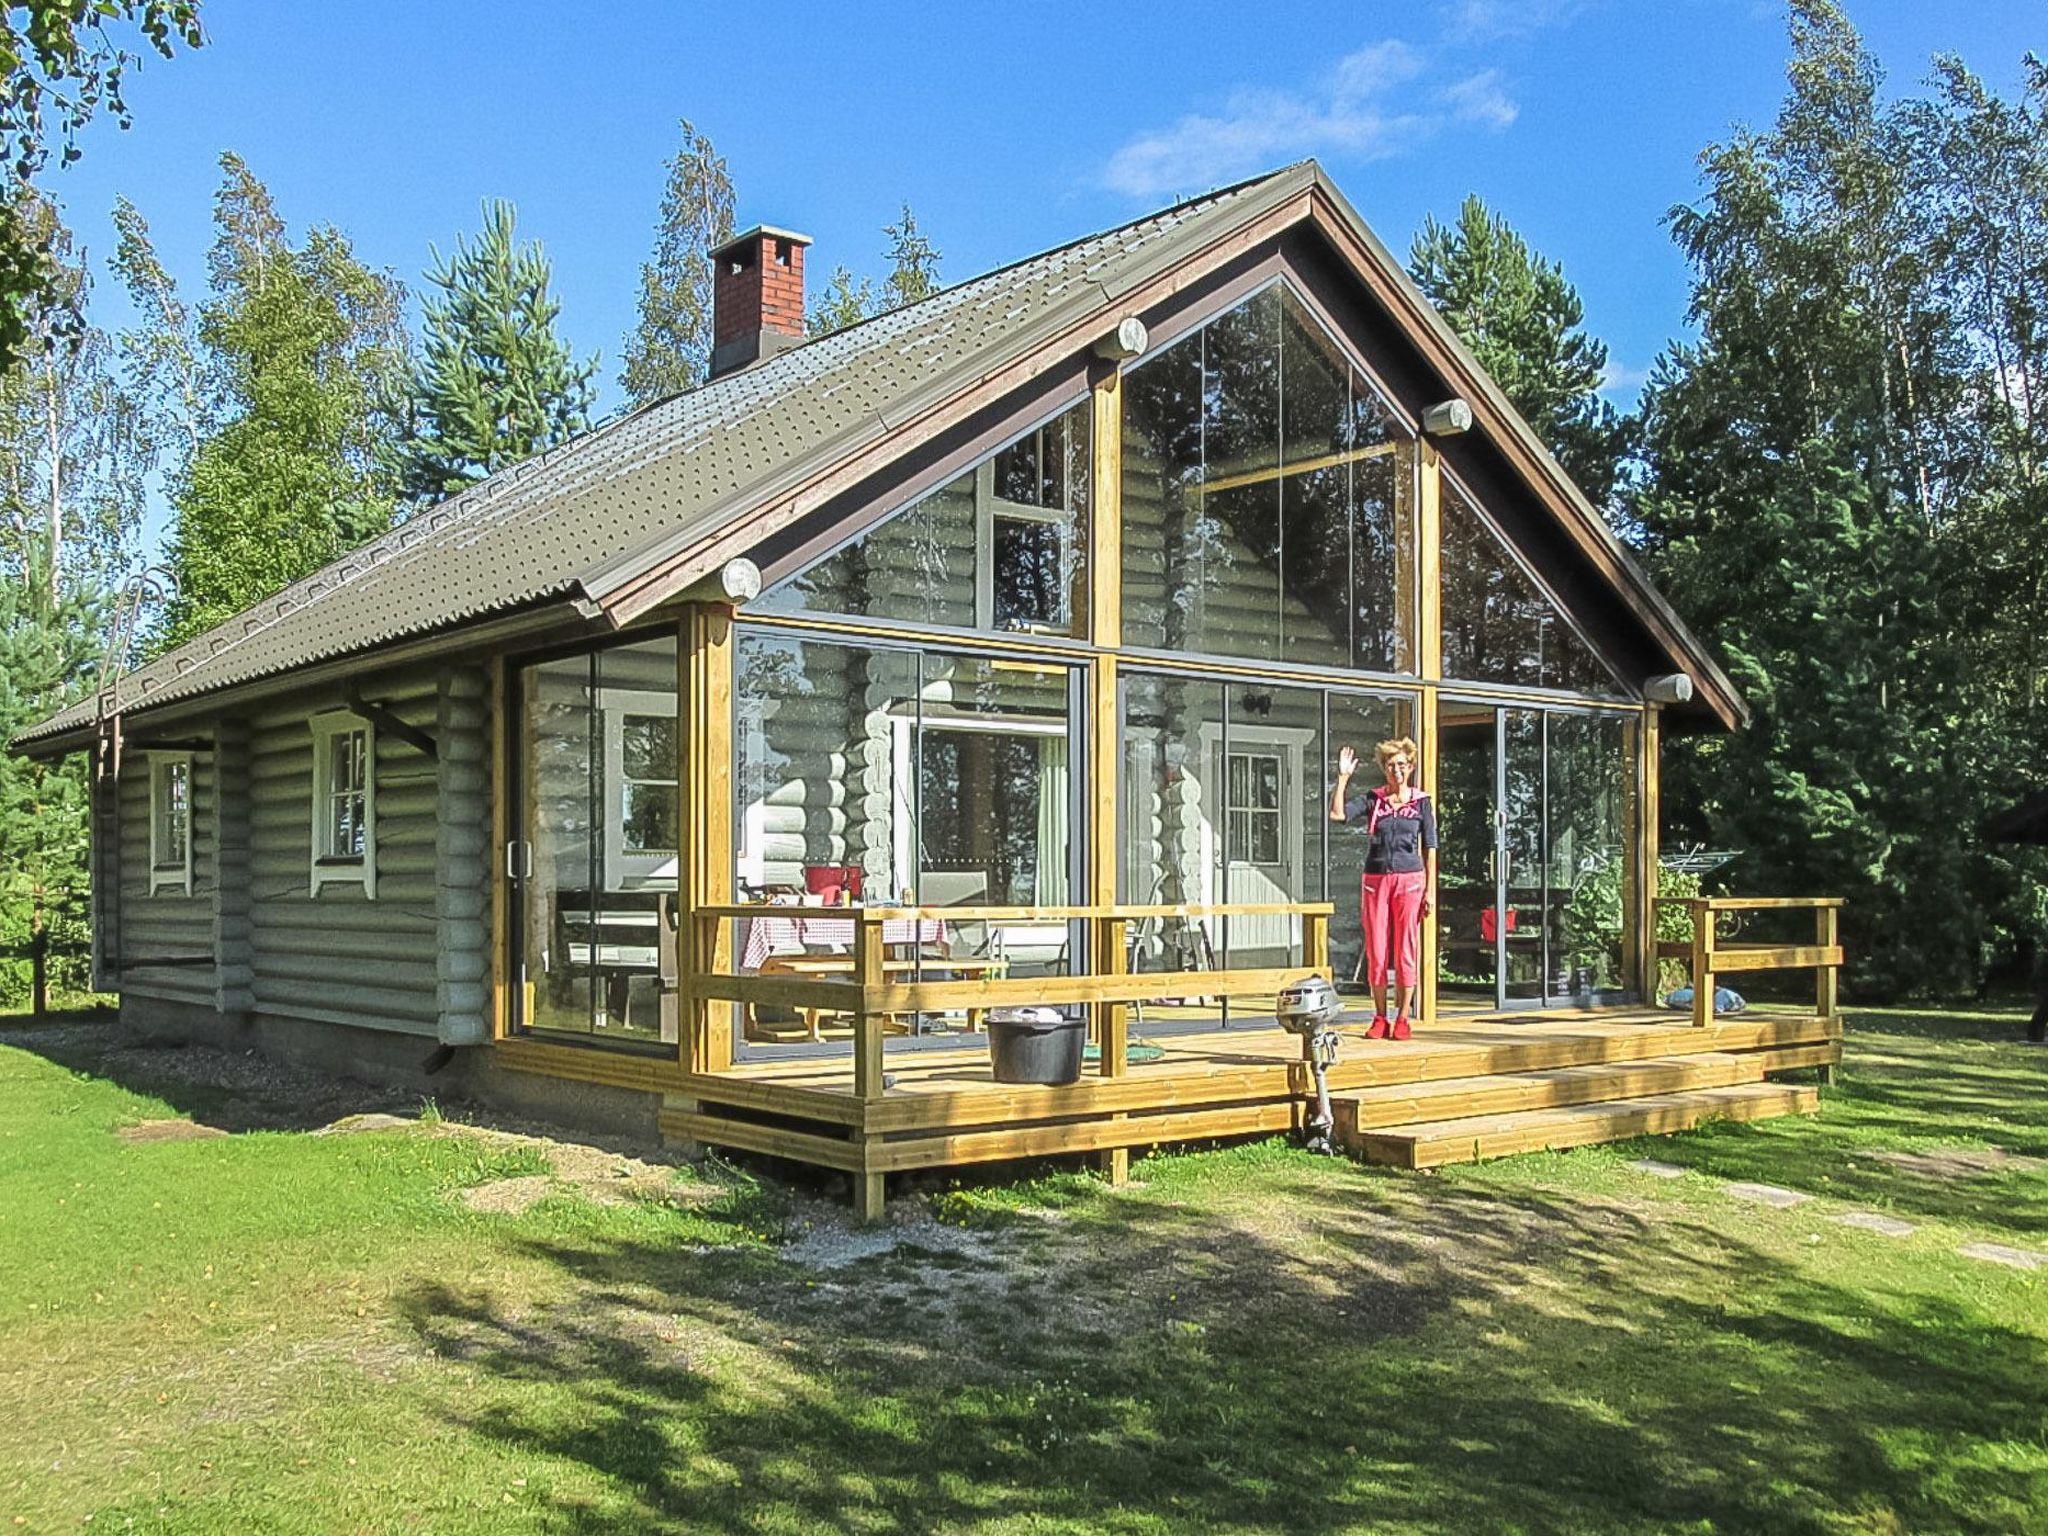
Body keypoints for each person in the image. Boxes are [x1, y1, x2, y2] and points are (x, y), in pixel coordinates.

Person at [1329, 736, 1437, 1040]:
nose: (1396, 770)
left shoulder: (1421, 802)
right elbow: (1337, 814)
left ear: (1411, 767)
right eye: (1391, 765)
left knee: (1405, 949)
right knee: (1377, 949)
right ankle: (1379, 1017)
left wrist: (1429, 890)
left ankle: (1402, 1018)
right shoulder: (1374, 799)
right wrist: (1343, 777)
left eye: (1401, 765)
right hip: (1375, 880)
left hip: (1410, 880)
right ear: (1383, 769)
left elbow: (1430, 847)